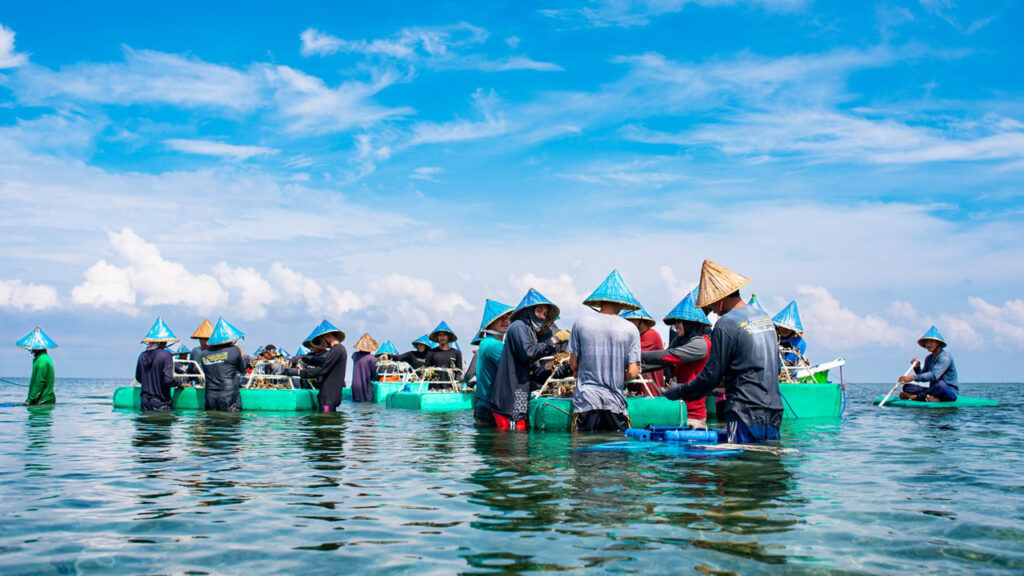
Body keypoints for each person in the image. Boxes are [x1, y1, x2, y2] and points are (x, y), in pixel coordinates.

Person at [663, 260, 783, 444]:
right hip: (774, 410)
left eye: (711, 306)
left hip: (744, 411)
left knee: (741, 468)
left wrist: (679, 391)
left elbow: (710, 377)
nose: (713, 312)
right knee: (766, 465)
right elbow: (777, 369)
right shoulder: (765, 319)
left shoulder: (726, 324)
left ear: (720, 301)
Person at [569, 270, 642, 432]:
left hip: (586, 403)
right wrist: (615, 376)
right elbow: (633, 371)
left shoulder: (580, 323)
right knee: (616, 453)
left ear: (600, 301)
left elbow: (573, 364)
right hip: (615, 404)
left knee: (583, 453)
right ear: (622, 303)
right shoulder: (631, 329)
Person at [489, 288, 570, 430]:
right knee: (512, 442)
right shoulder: (518, 326)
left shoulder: (530, 334)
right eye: (539, 311)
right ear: (527, 311)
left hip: (520, 393)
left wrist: (567, 367)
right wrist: (554, 340)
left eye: (545, 314)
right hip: (510, 399)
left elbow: (537, 373)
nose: (543, 316)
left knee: (519, 437)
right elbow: (528, 353)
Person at [641, 290, 713, 427]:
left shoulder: (701, 344)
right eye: (675, 321)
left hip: (693, 416)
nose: (676, 325)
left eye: (680, 321)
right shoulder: (682, 340)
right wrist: (639, 366)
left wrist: (637, 355)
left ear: (691, 323)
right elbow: (663, 360)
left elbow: (671, 356)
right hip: (677, 410)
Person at [472, 299, 514, 426]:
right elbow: (512, 370)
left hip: (482, 405)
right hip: (490, 407)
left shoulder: (486, 342)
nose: (506, 321)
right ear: (490, 322)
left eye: (508, 317)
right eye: (501, 318)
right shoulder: (495, 345)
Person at [293, 320, 348, 411]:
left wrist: (299, 372)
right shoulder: (338, 349)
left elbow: (322, 370)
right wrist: (304, 358)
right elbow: (323, 362)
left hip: (328, 399)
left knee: (325, 422)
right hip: (329, 398)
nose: (322, 344)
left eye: (321, 340)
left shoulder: (337, 349)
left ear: (327, 336)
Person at [898, 326, 959, 402]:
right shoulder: (929, 358)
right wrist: (917, 367)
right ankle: (932, 398)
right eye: (926, 342)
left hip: (947, 390)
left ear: (938, 343)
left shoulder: (945, 358)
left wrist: (912, 377)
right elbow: (922, 375)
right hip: (933, 390)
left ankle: (916, 397)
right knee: (907, 387)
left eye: (931, 342)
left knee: (940, 385)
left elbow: (933, 376)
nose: (928, 344)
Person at [199, 318, 247, 412]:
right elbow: (242, 369)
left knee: (213, 424)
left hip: (210, 396)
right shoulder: (234, 350)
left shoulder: (204, 353)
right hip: (229, 396)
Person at [135, 317, 179, 411]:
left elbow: (139, 378)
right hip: (161, 402)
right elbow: (168, 380)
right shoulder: (165, 355)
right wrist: (179, 382)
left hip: (145, 402)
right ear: (162, 342)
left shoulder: (142, 356)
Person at [620, 306, 664, 395]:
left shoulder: (651, 335)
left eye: (630, 320)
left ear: (640, 320)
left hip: (649, 390)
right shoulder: (637, 337)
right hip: (636, 389)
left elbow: (632, 354)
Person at [16, 327, 57, 406]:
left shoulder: (42, 361)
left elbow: (39, 382)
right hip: (44, 400)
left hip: (42, 401)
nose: (31, 349)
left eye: (33, 347)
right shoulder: (43, 358)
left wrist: (29, 400)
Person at [773, 300, 807, 368]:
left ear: (793, 329)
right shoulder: (771, 337)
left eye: (787, 328)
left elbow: (786, 364)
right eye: (782, 326)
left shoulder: (799, 343)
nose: (784, 329)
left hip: (786, 375)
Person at [350, 333, 379, 402]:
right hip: (364, 386)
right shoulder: (372, 359)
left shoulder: (354, 355)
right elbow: (375, 374)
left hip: (354, 386)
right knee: (366, 405)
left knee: (356, 405)